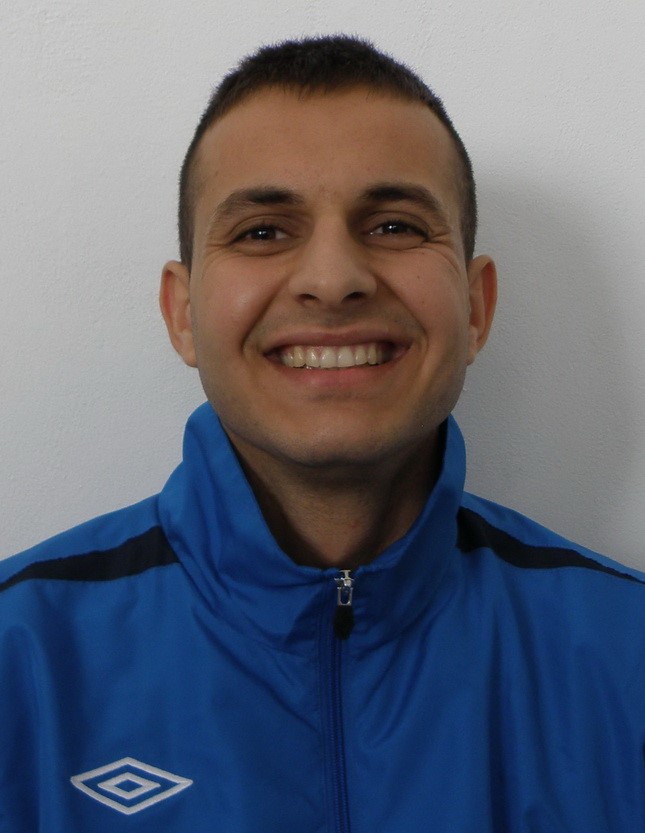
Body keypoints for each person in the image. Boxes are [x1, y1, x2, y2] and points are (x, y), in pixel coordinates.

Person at [1, 35, 644, 832]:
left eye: (395, 225)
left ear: (475, 307)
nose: (333, 279)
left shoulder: (627, 656)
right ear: (182, 313)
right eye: (263, 231)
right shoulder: (21, 659)